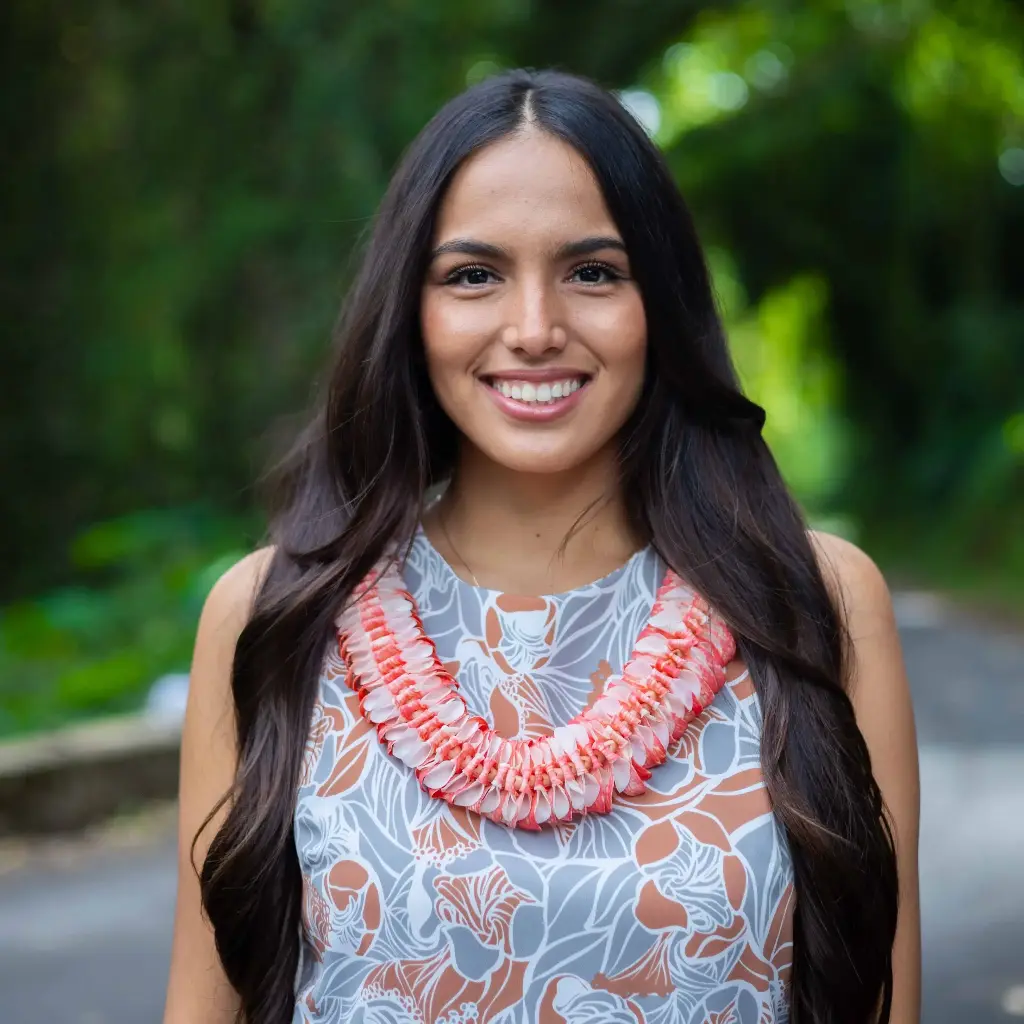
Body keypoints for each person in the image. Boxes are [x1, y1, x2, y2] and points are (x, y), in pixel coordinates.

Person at [163, 69, 920, 1024]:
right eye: (474, 275)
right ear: (412, 308)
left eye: (593, 272)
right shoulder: (274, 617)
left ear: (663, 303)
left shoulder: (815, 603)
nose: (534, 330)